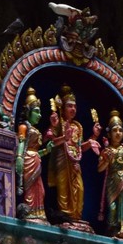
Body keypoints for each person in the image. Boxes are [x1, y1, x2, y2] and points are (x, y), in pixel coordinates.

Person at [47, 86, 100, 225]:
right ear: (63, 107)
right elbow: (49, 142)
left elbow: (80, 147)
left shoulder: (77, 126)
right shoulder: (58, 123)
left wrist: (94, 137)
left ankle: (76, 218)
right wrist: (61, 135)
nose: (73, 109)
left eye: (75, 106)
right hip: (61, 161)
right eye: (69, 106)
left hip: (75, 163)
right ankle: (65, 217)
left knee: (79, 189)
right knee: (63, 189)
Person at [14, 89, 48, 222]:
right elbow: (21, 143)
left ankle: (39, 214)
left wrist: (46, 151)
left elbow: (36, 151)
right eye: (36, 112)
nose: (39, 115)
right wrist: (19, 158)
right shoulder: (24, 127)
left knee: (40, 190)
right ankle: (28, 213)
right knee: (29, 190)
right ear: (28, 111)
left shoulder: (36, 130)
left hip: (35, 160)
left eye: (39, 112)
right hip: (27, 159)